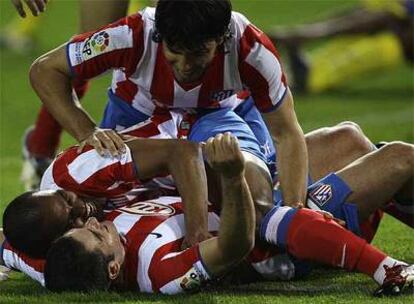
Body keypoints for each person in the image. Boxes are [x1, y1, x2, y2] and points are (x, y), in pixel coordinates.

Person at [2, 123, 413, 295]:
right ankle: (390, 266)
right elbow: (234, 245)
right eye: (90, 231)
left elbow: (13, 246)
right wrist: (232, 181)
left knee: (350, 139)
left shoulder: (61, 252)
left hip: (249, 193)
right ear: (111, 267)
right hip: (286, 236)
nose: (91, 220)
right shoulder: (157, 269)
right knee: (399, 160)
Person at [28, 0, 309, 210]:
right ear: (159, 35)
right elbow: (44, 70)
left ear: (223, 39)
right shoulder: (131, 34)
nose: (185, 66)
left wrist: (294, 212)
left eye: (199, 53)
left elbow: (286, 133)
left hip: (217, 115)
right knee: (91, 204)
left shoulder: (252, 49)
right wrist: (87, 131)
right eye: (175, 52)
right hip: (138, 115)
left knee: (256, 195)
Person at [269, 0, 413, 93]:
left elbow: (389, 19)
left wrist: (312, 33)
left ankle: (304, 76)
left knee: (388, 45)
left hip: (398, 43)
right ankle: (300, 68)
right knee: (381, 8)